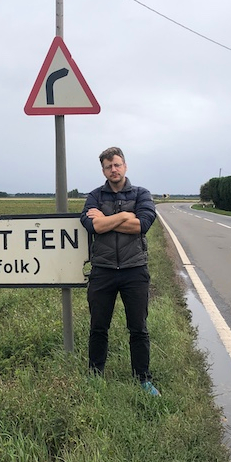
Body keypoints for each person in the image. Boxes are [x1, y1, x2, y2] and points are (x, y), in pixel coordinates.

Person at [80, 147, 160, 396]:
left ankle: (143, 379)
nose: (113, 170)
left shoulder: (141, 194)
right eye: (108, 166)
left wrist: (106, 220)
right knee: (98, 327)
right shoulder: (94, 196)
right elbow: (91, 226)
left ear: (124, 166)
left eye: (117, 165)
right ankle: (95, 376)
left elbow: (142, 225)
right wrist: (124, 215)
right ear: (103, 170)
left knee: (138, 328)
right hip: (102, 270)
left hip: (134, 270)